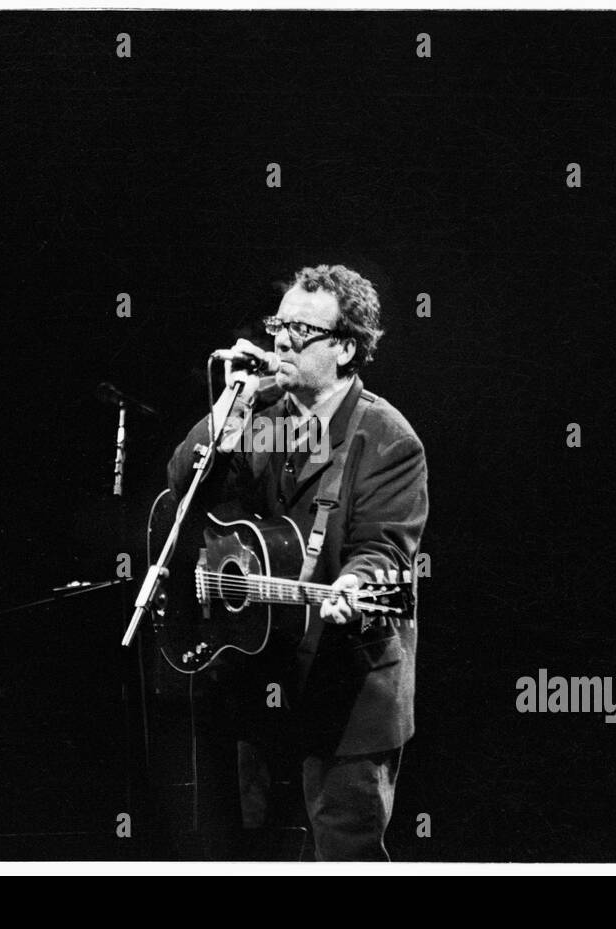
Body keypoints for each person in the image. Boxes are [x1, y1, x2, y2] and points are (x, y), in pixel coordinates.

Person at [167, 264, 429, 860]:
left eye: (301, 331)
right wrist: (226, 412)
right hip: (261, 671)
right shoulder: (261, 416)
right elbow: (181, 489)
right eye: (277, 324)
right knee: (259, 852)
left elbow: (384, 550)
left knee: (343, 856)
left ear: (344, 348)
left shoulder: (387, 439)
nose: (281, 341)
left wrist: (354, 584)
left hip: (348, 691)